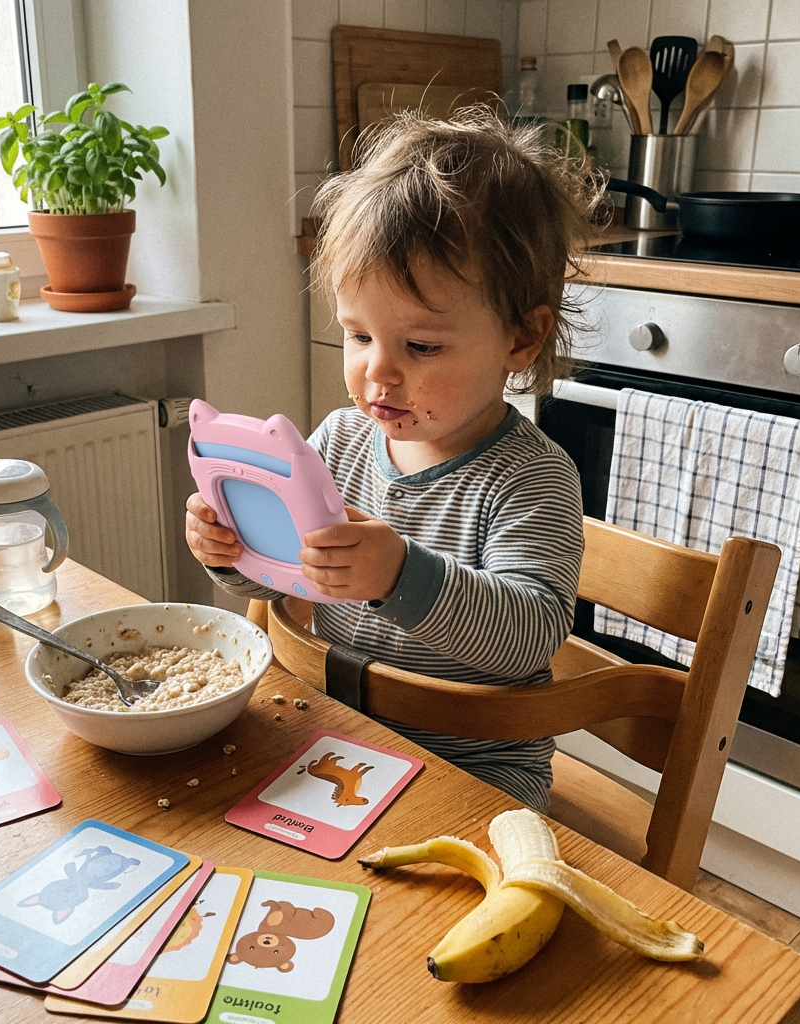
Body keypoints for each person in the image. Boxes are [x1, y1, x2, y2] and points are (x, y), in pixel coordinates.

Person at [185, 106, 603, 812]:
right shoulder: (339, 441)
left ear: (520, 339)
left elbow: (529, 637)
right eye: (359, 336)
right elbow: (286, 575)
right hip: (340, 732)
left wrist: (401, 575)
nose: (377, 373)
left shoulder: (531, 478)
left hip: (476, 767)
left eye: (422, 346)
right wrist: (231, 550)